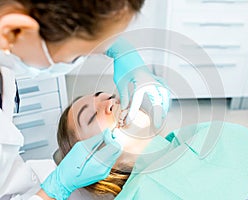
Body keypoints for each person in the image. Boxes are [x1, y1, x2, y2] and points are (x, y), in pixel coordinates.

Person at [0, 1, 170, 200]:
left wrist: (119, 49)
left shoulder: (198, 137)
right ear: (14, 31)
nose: (109, 101)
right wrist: (55, 189)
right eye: (76, 55)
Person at [55, 92, 248, 199]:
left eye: (105, 95)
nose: (109, 101)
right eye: (90, 116)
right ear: (87, 161)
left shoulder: (202, 134)